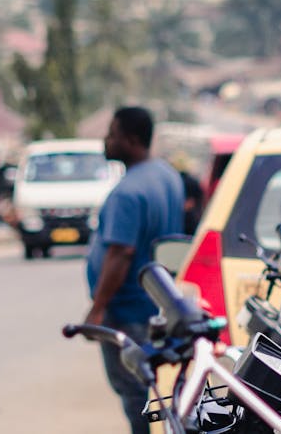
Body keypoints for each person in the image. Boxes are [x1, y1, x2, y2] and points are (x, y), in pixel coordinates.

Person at [84, 106, 185, 434]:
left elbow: (120, 254)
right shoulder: (166, 175)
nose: (106, 140)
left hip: (127, 312)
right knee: (156, 394)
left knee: (136, 396)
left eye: (112, 134)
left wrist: (97, 310)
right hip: (156, 306)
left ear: (130, 140)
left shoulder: (127, 193)